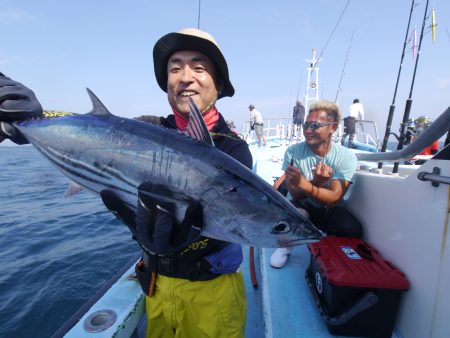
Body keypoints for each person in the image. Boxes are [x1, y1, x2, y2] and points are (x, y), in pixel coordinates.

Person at [0, 28, 252, 338]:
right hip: (155, 288)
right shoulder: (146, 127)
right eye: (175, 68)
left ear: (220, 84)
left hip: (213, 293)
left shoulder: (233, 150)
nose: (185, 77)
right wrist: (26, 113)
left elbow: (231, 222)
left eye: (199, 67)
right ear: (167, 84)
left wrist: (183, 239)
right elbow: (92, 130)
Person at [270, 100, 362, 268]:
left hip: (328, 209)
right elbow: (296, 194)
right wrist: (315, 183)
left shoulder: (346, 157)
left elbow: (334, 198)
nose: (308, 130)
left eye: (315, 125)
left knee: (351, 229)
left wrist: (308, 184)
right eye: (306, 125)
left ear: (332, 128)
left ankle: (328, 245)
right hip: (302, 205)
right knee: (294, 211)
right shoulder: (293, 152)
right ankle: (285, 246)